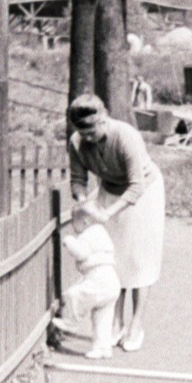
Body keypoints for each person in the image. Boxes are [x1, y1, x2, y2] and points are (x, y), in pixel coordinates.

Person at [67, 93, 165, 352]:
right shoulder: (76, 143)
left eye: (92, 130)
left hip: (144, 193)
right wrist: (82, 201)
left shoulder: (126, 136)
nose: (87, 137)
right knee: (116, 259)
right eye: (82, 131)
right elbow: (77, 180)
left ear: (104, 119)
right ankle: (116, 321)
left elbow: (136, 186)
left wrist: (109, 213)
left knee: (140, 260)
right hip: (109, 190)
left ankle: (136, 324)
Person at [52, 203, 122, 359]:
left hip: (99, 280)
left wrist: (69, 241)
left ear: (85, 222)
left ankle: (71, 322)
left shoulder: (89, 234)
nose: (72, 225)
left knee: (74, 294)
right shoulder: (102, 232)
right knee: (102, 317)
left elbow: (81, 253)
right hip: (111, 281)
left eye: (73, 220)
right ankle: (102, 348)